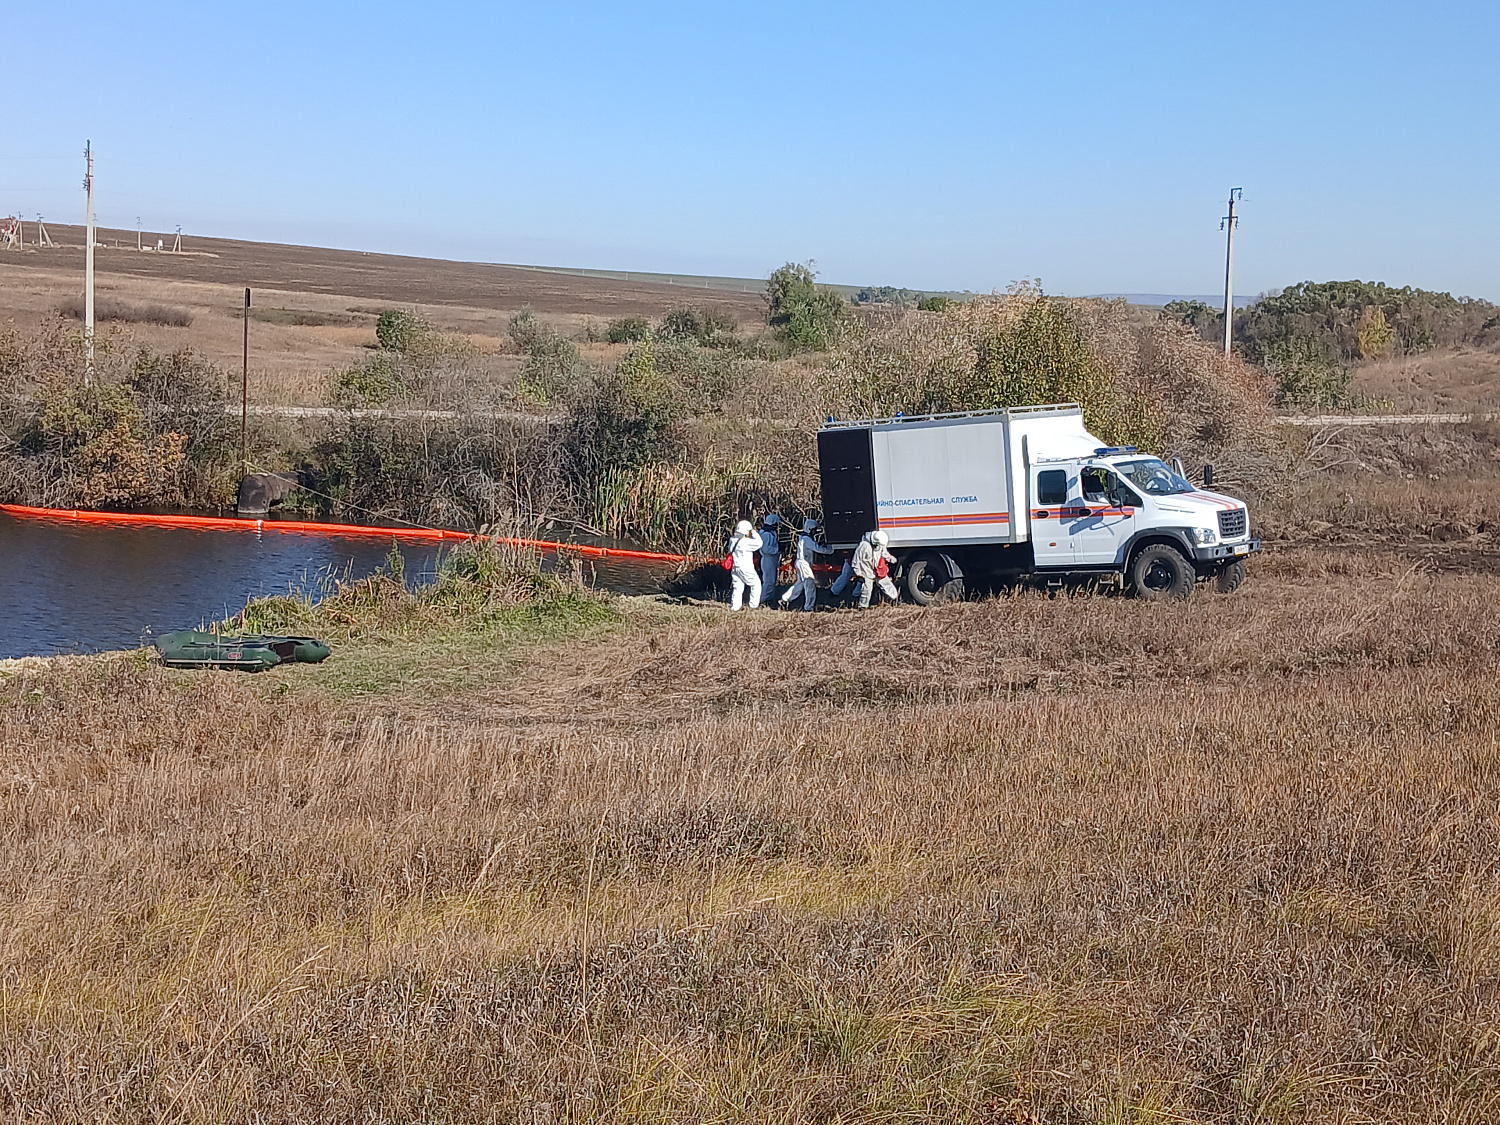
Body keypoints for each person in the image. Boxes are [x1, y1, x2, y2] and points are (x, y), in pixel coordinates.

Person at [779, 518, 833, 612]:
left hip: (802, 563)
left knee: (799, 584)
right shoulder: (806, 539)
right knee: (810, 584)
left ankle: (784, 600)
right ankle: (808, 608)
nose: (815, 532)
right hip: (803, 564)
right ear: (809, 529)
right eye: (814, 530)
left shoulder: (804, 538)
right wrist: (830, 549)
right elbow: (817, 548)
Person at [852, 529, 898, 608]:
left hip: (877, 570)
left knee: (887, 584)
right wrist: (858, 574)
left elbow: (885, 553)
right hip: (866, 571)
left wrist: (893, 560)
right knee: (867, 590)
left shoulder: (880, 544)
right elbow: (856, 561)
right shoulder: (863, 546)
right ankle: (862, 607)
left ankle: (895, 599)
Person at [726, 519, 763, 610]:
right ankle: (753, 606)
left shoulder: (733, 540)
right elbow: (759, 543)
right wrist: (754, 533)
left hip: (735, 567)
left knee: (738, 586)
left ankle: (735, 607)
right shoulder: (744, 542)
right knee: (756, 584)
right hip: (745, 567)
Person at [758, 513, 782, 602]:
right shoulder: (766, 534)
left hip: (772, 559)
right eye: (776, 524)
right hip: (768, 559)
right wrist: (777, 549)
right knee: (768, 581)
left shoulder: (771, 533)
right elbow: (766, 549)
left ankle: (769, 598)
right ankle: (762, 600)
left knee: (772, 581)